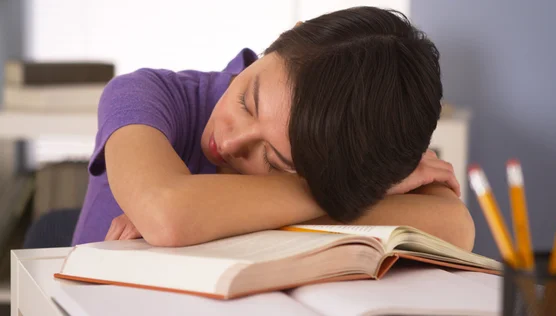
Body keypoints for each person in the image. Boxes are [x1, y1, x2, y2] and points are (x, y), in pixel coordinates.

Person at [71, 6, 475, 251]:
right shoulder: (145, 95)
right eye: (248, 100)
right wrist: (341, 195)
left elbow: (455, 227)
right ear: (284, 36)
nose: (228, 142)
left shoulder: (343, 149)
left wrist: (344, 185)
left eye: (272, 158)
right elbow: (167, 215)